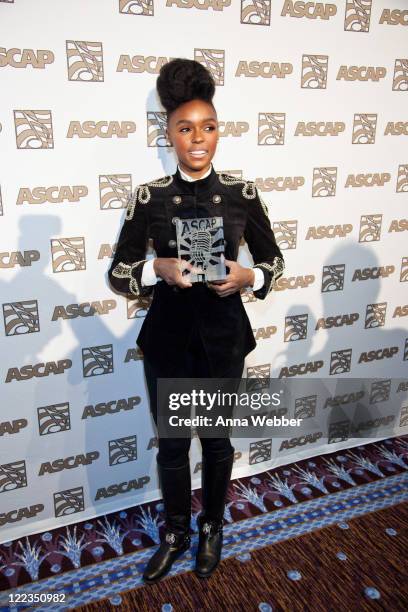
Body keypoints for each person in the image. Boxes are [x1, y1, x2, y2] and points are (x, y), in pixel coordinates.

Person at [108, 58, 285, 583]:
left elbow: (273, 261)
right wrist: (155, 268)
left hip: (223, 337)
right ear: (169, 134)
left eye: (208, 127)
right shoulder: (151, 196)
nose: (198, 138)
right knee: (170, 445)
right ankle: (175, 531)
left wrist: (246, 277)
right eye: (185, 128)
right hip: (167, 337)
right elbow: (119, 272)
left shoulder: (240, 192)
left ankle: (212, 527)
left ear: (218, 130)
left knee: (215, 442)